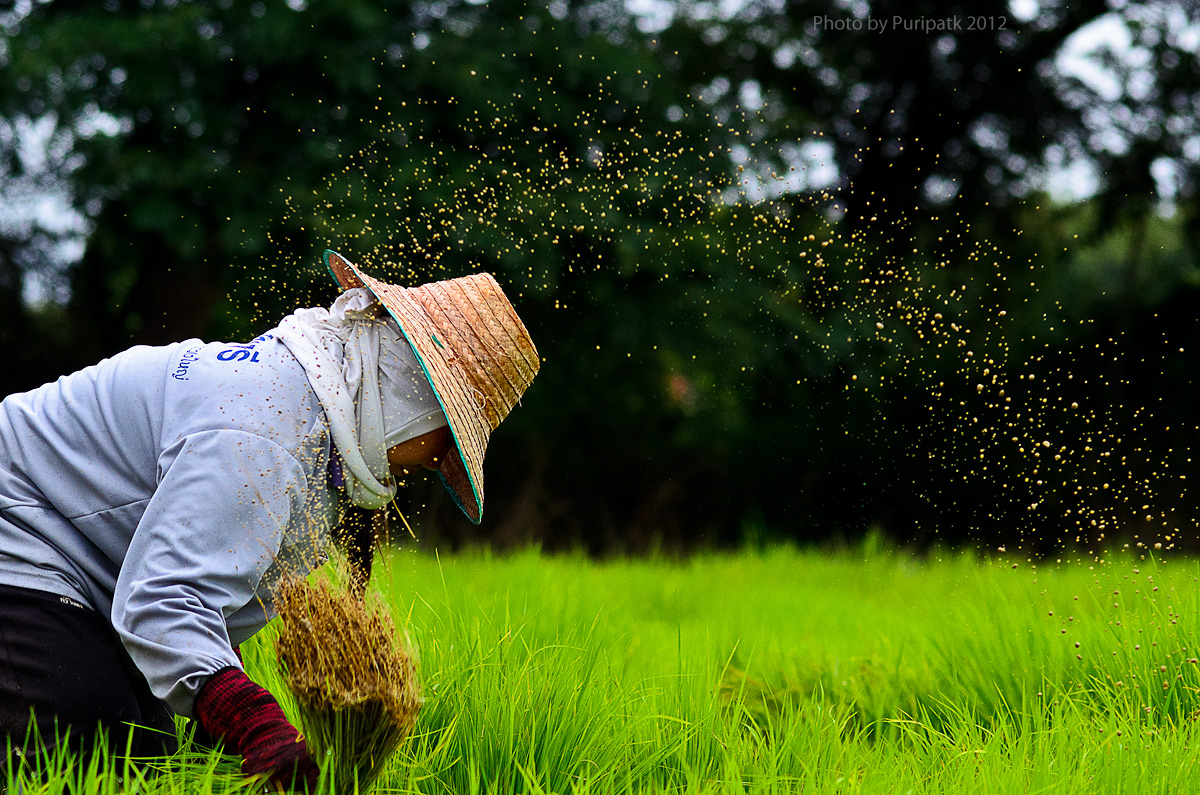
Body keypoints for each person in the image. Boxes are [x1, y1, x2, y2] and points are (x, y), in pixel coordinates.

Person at [0, 250, 539, 789]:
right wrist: (255, 724)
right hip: (23, 529)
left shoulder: (319, 420)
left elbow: (213, 566)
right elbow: (165, 598)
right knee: (87, 744)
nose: (435, 462)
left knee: (155, 758)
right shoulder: (270, 431)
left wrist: (217, 700)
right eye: (446, 440)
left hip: (89, 563)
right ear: (411, 398)